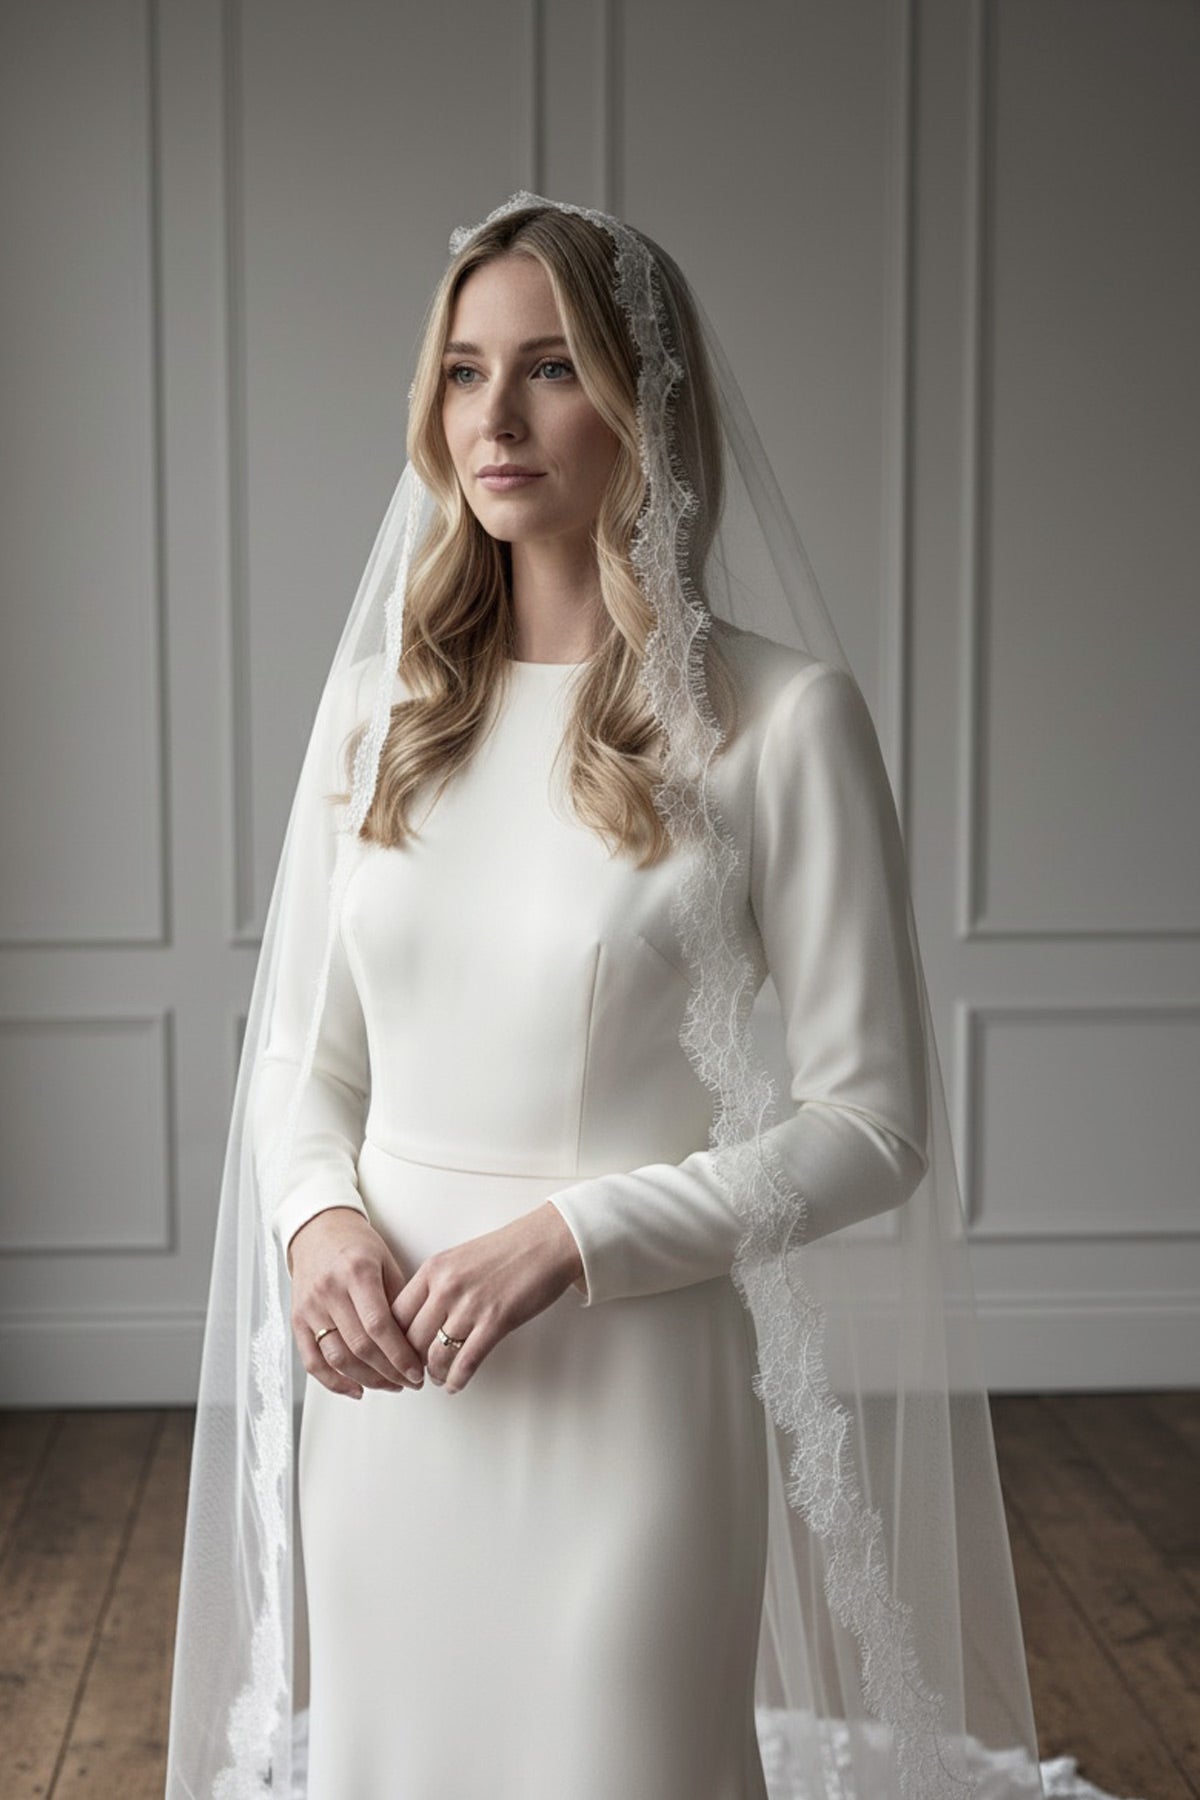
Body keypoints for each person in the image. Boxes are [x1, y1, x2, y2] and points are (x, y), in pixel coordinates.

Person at [166, 195, 1057, 1800]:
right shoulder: (379, 713)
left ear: (644, 404)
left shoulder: (783, 722)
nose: (493, 420)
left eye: (551, 367)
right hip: (391, 1394)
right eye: (460, 372)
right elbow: (304, 1057)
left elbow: (875, 1124)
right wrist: (320, 1226)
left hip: (634, 1400)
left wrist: (575, 1239)